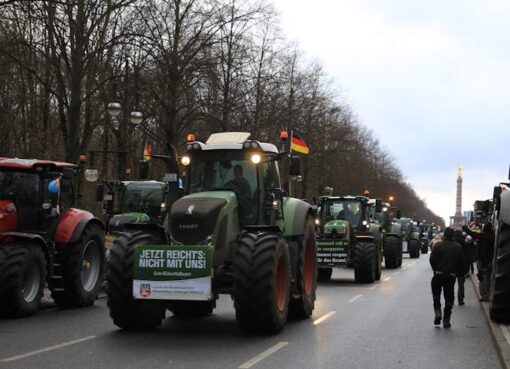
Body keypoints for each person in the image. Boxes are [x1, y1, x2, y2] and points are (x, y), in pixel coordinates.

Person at [429, 227, 465, 328]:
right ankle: (446, 320)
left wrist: (435, 270)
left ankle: (437, 313)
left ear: (444, 234)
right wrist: (457, 273)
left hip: (438, 274)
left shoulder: (438, 245)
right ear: (453, 235)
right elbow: (462, 263)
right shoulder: (458, 247)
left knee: (436, 295)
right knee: (449, 298)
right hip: (450, 276)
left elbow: (432, 259)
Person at [463, 222, 495, 301]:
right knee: (489, 278)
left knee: (482, 278)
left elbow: (472, 233)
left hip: (483, 261)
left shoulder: (483, 236)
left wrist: (464, 227)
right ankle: (490, 294)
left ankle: (485, 296)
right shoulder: (494, 236)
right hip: (491, 261)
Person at [454, 230, 470, 306]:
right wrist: (467, 268)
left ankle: (450, 300)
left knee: (450, 285)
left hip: (452, 267)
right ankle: (460, 300)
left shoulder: (452, 243)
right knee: (461, 285)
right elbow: (467, 257)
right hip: (461, 268)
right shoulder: (465, 243)